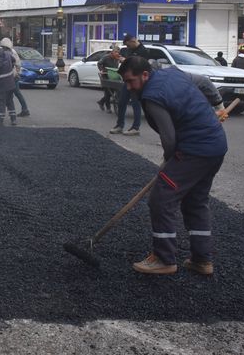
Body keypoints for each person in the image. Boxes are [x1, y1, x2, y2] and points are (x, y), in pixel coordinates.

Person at [117, 57, 227, 275]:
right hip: (216, 146)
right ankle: (202, 260)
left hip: (194, 150)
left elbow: (169, 138)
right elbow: (204, 82)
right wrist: (218, 104)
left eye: (131, 81)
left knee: (161, 198)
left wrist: (168, 162)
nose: (129, 87)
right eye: (125, 83)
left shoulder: (151, 97)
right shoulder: (175, 73)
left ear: (145, 75)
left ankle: (164, 258)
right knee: (196, 201)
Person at [110, 34, 149, 136]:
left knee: (136, 104)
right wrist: (121, 59)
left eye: (128, 45)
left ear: (133, 41)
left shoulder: (143, 51)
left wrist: (125, 60)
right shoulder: (129, 50)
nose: (127, 47)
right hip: (127, 80)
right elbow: (128, 62)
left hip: (137, 82)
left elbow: (139, 65)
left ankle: (135, 128)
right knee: (122, 102)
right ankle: (119, 125)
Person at [0, 38, 18, 126]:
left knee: (0, 101)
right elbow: (14, 60)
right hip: (11, 83)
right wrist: (9, 68)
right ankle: (13, 119)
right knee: (9, 101)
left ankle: (0, 119)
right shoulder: (7, 54)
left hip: (2, 84)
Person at [5, 40, 31, 117]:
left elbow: (17, 64)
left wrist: (16, 73)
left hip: (11, 76)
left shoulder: (10, 52)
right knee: (14, 93)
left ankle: (24, 109)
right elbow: (18, 64)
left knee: (11, 93)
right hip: (13, 75)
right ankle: (24, 109)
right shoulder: (12, 52)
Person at [97, 44, 121, 113]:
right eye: (116, 52)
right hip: (106, 76)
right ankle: (108, 108)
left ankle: (101, 102)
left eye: (118, 53)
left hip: (113, 76)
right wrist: (101, 70)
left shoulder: (117, 59)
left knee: (113, 92)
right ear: (112, 52)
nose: (117, 54)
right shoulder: (106, 57)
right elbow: (99, 63)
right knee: (108, 92)